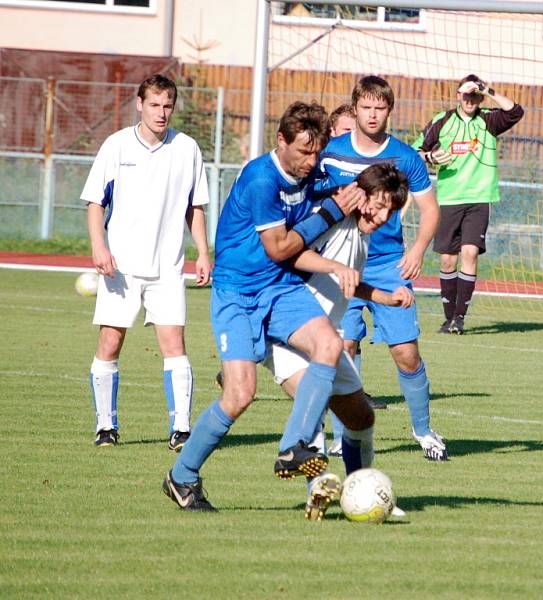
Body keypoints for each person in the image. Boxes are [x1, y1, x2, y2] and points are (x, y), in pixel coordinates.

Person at [162, 101, 365, 512]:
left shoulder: (316, 171)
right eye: (303, 151)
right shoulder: (260, 178)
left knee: (330, 345)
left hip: (282, 289)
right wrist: (332, 210)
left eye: (316, 152)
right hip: (237, 294)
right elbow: (278, 247)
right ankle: (181, 476)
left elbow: (351, 180)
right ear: (281, 140)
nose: (311, 161)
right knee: (239, 395)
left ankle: (294, 447)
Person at [266, 163, 412, 519]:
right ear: (360, 194)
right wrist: (335, 267)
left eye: (389, 212)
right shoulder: (330, 216)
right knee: (312, 405)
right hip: (290, 332)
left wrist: (383, 296)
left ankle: (363, 489)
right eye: (377, 206)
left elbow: (348, 281)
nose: (379, 217)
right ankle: (315, 490)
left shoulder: (362, 236)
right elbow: (292, 254)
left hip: (326, 339)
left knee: (361, 419)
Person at [315, 75, 448, 462]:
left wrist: (420, 249)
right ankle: (343, 435)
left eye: (380, 108)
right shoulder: (330, 153)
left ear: (389, 110)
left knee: (406, 353)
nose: (373, 115)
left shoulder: (405, 157)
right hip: (341, 262)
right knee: (344, 346)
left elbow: (430, 209)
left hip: (389, 264)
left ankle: (423, 430)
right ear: (354, 109)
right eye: (366, 107)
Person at [82, 74, 211, 452]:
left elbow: (195, 207)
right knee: (110, 341)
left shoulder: (187, 148)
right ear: (139, 104)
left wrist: (203, 252)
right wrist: (98, 247)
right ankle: (106, 426)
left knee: (175, 343)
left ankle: (182, 429)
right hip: (120, 267)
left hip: (167, 267)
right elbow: (95, 203)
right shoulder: (116, 145)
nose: (162, 112)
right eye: (154, 104)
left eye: (168, 105)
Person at [414, 74, 524, 334]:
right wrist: (430, 156)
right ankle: (448, 317)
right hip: (450, 199)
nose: (470, 100)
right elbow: (415, 152)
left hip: (479, 198)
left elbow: (516, 111)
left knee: (470, 254)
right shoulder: (441, 122)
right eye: (466, 95)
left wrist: (487, 90)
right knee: (447, 261)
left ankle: (459, 319)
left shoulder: (488, 119)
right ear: (458, 96)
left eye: (475, 95)